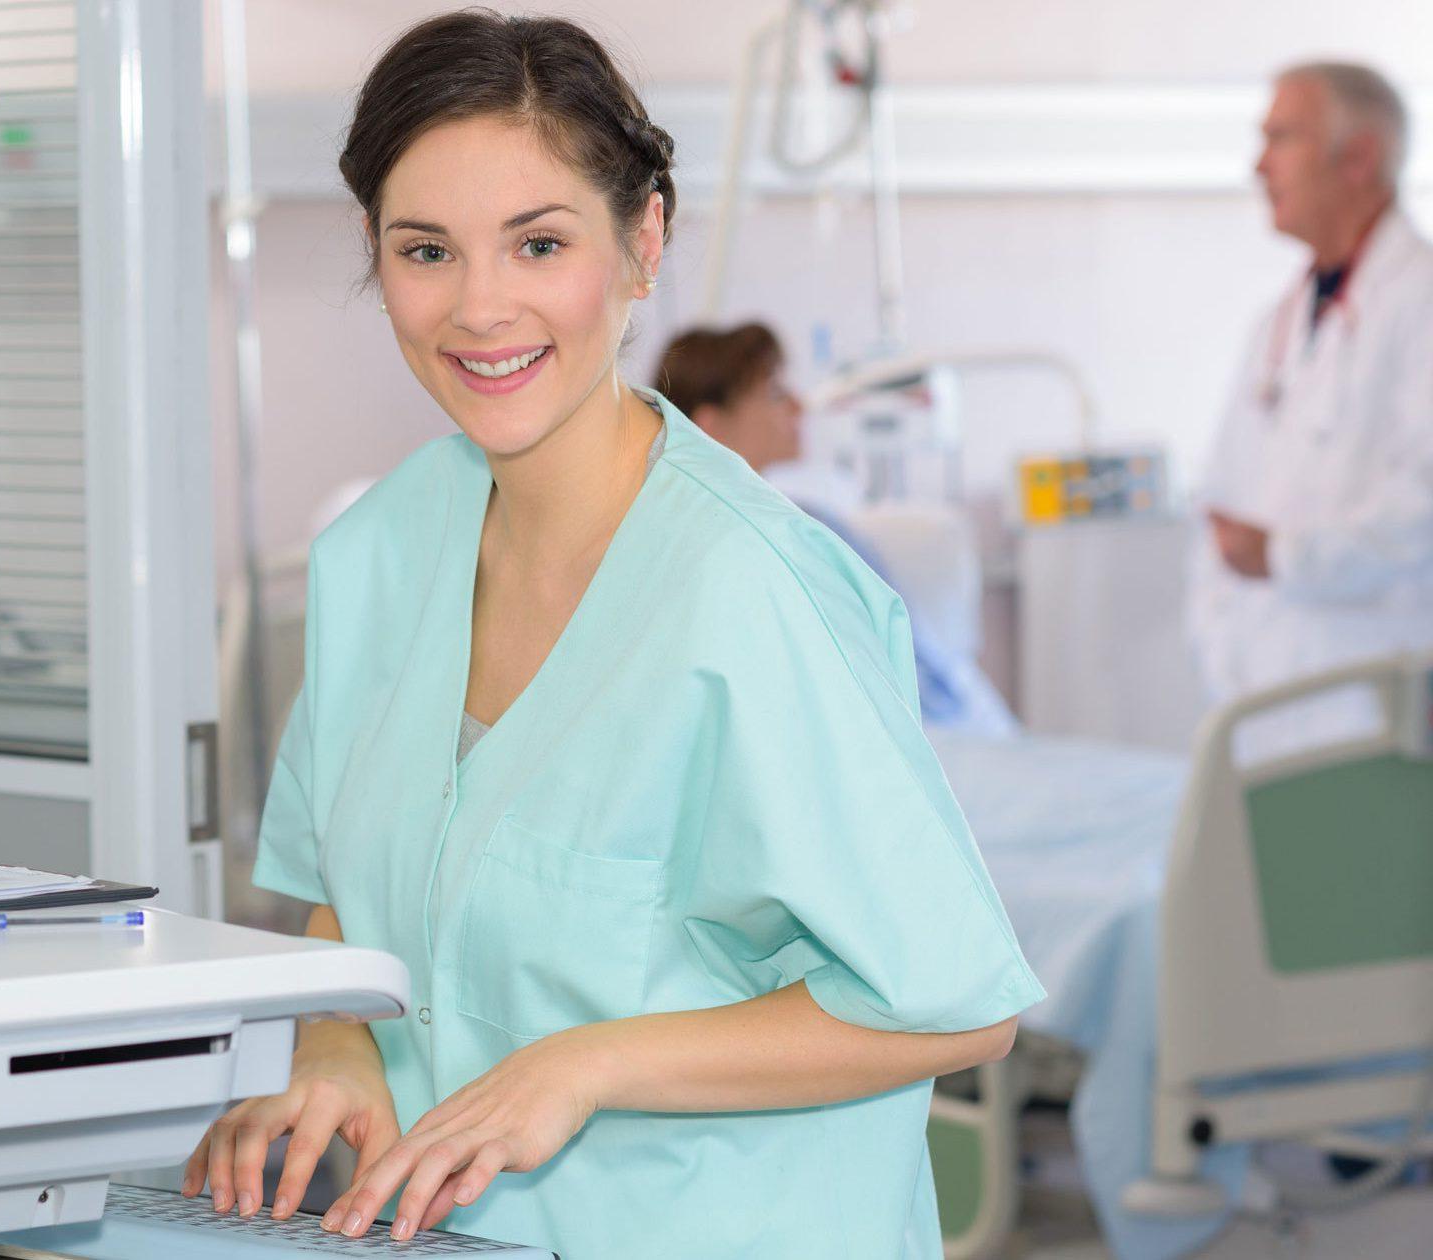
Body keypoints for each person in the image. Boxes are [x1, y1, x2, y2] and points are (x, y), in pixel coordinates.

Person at [184, 12, 1043, 1257]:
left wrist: (581, 1067)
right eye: (426, 250)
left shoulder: (748, 593)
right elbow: (344, 902)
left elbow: (954, 1008)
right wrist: (337, 1050)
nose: (480, 308)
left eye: (539, 243)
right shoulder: (376, 555)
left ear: (642, 243)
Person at [1190, 62, 1433, 752]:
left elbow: (1421, 510)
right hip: (1263, 704)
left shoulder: (1422, 306)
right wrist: (1221, 648)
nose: (1258, 166)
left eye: (1281, 138)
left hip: (1377, 709)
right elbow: (1218, 510)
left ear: (1358, 157)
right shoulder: (1278, 324)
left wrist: (1286, 557)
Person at [658, 323, 1019, 736]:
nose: (798, 406)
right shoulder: (778, 535)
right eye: (775, 392)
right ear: (711, 426)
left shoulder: (803, 522)